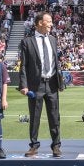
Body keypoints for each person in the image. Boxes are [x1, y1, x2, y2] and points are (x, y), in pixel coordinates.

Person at [19, 12, 64, 158]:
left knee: (54, 117)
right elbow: (24, 65)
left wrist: (60, 82)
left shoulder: (53, 40)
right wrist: (23, 85)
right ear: (39, 23)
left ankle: (56, 146)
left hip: (51, 84)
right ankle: (33, 146)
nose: (51, 24)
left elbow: (55, 63)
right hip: (35, 86)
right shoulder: (27, 42)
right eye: (49, 21)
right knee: (34, 117)